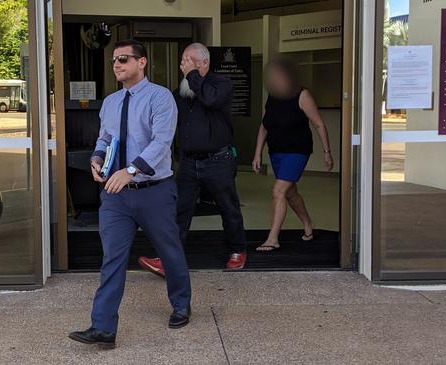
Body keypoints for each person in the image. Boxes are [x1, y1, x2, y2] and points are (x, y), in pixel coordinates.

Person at [68, 40, 192, 350]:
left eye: (124, 59)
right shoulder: (110, 102)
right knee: (112, 258)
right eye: (113, 60)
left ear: (142, 62)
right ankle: (103, 328)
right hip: (115, 195)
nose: (117, 64)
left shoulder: (160, 98)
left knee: (169, 250)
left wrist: (130, 171)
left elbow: (161, 143)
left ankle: (181, 304)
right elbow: (105, 137)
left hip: (154, 191)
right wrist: (97, 159)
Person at [138, 42, 248, 277]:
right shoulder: (182, 91)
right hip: (188, 163)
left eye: (189, 60)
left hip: (219, 159)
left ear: (204, 63)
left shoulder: (221, 84)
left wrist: (192, 75)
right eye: (183, 61)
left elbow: (210, 100)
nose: (183, 65)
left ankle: (237, 250)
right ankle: (167, 259)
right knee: (179, 210)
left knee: (228, 207)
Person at [252, 57, 334, 252]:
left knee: (278, 191)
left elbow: (319, 123)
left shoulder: (302, 95)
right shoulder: (272, 96)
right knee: (290, 193)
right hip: (277, 150)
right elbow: (264, 126)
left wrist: (327, 152)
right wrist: (257, 154)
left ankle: (273, 238)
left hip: (297, 151)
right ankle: (307, 223)